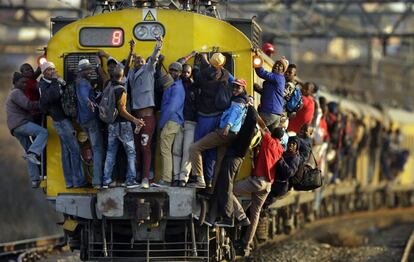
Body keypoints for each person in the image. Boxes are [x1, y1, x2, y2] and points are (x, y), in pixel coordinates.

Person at [207, 96, 264, 227]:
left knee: (226, 186)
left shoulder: (249, 123)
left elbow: (248, 119)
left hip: (234, 158)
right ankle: (216, 217)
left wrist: (248, 107)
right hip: (235, 157)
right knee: (222, 185)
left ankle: (229, 218)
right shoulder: (252, 123)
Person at [232, 127, 285, 256]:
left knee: (229, 190)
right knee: (255, 213)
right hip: (268, 185)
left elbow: (261, 128)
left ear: (273, 134)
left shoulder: (268, 140)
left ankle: (241, 216)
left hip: (257, 181)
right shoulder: (280, 148)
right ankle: (246, 242)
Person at [187, 79, 248, 189]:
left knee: (194, 148)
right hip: (231, 134)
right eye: (234, 86)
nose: (235, 89)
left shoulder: (238, 101)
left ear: (243, 89)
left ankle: (199, 178)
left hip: (225, 132)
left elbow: (234, 114)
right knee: (219, 160)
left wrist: (228, 125)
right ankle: (212, 188)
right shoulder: (242, 100)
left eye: (238, 87)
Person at [38, 61, 87, 188]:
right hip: (60, 121)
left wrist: (60, 82)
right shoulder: (43, 85)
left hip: (64, 120)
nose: (53, 71)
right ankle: (78, 181)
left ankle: (70, 182)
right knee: (75, 150)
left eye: (53, 69)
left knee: (66, 152)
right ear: (44, 73)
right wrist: (55, 81)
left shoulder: (55, 82)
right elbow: (52, 97)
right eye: (49, 70)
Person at [192, 52, 234, 188]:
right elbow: (237, 83)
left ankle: (197, 177)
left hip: (203, 116)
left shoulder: (202, 74)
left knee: (197, 146)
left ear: (210, 62)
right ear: (222, 64)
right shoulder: (226, 75)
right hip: (217, 117)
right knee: (211, 150)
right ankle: (209, 180)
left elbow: (195, 82)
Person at [102, 65, 145, 189]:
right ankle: (130, 180)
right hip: (123, 125)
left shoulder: (108, 85)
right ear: (123, 76)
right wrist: (134, 119)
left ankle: (106, 180)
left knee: (111, 153)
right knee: (131, 153)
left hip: (111, 125)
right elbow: (121, 110)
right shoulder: (121, 90)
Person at [127, 37, 163, 187]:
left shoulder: (148, 70)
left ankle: (146, 178)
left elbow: (154, 58)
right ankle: (139, 175)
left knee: (145, 146)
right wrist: (131, 52)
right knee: (136, 149)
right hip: (136, 119)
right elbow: (123, 68)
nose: (139, 64)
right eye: (137, 62)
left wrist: (159, 45)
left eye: (141, 62)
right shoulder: (131, 74)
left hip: (147, 118)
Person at [6, 72, 48, 188]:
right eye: (22, 82)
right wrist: (41, 104)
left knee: (28, 151)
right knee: (43, 132)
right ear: (15, 83)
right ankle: (34, 153)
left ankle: (35, 179)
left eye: (26, 82)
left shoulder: (13, 93)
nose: (25, 84)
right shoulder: (16, 93)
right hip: (20, 124)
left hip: (14, 128)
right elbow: (28, 105)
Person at [76, 59, 104, 189]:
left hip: (83, 120)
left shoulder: (79, 81)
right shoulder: (83, 83)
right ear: (82, 71)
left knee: (94, 148)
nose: (89, 72)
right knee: (98, 149)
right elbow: (83, 96)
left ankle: (95, 177)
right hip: (90, 120)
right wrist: (89, 102)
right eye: (87, 70)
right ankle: (97, 181)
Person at [158, 62, 185, 187]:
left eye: (175, 71)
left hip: (171, 120)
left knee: (165, 149)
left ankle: (166, 179)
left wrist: (161, 123)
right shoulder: (173, 85)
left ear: (180, 73)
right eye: (171, 70)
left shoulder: (177, 88)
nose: (172, 72)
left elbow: (171, 108)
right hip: (173, 121)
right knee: (170, 150)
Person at [172, 63, 198, 187]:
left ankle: (183, 177)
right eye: (183, 72)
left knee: (187, 151)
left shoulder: (194, 87)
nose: (185, 74)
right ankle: (176, 176)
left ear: (191, 73)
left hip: (190, 121)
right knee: (176, 150)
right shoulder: (175, 85)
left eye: (188, 72)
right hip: (178, 121)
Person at [254, 57, 289, 131]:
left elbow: (261, 73)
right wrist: (259, 89)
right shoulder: (280, 79)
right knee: (270, 137)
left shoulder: (278, 77)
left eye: (280, 66)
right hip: (276, 114)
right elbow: (271, 93)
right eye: (276, 64)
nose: (277, 66)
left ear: (283, 70)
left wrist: (256, 59)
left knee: (256, 130)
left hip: (269, 111)